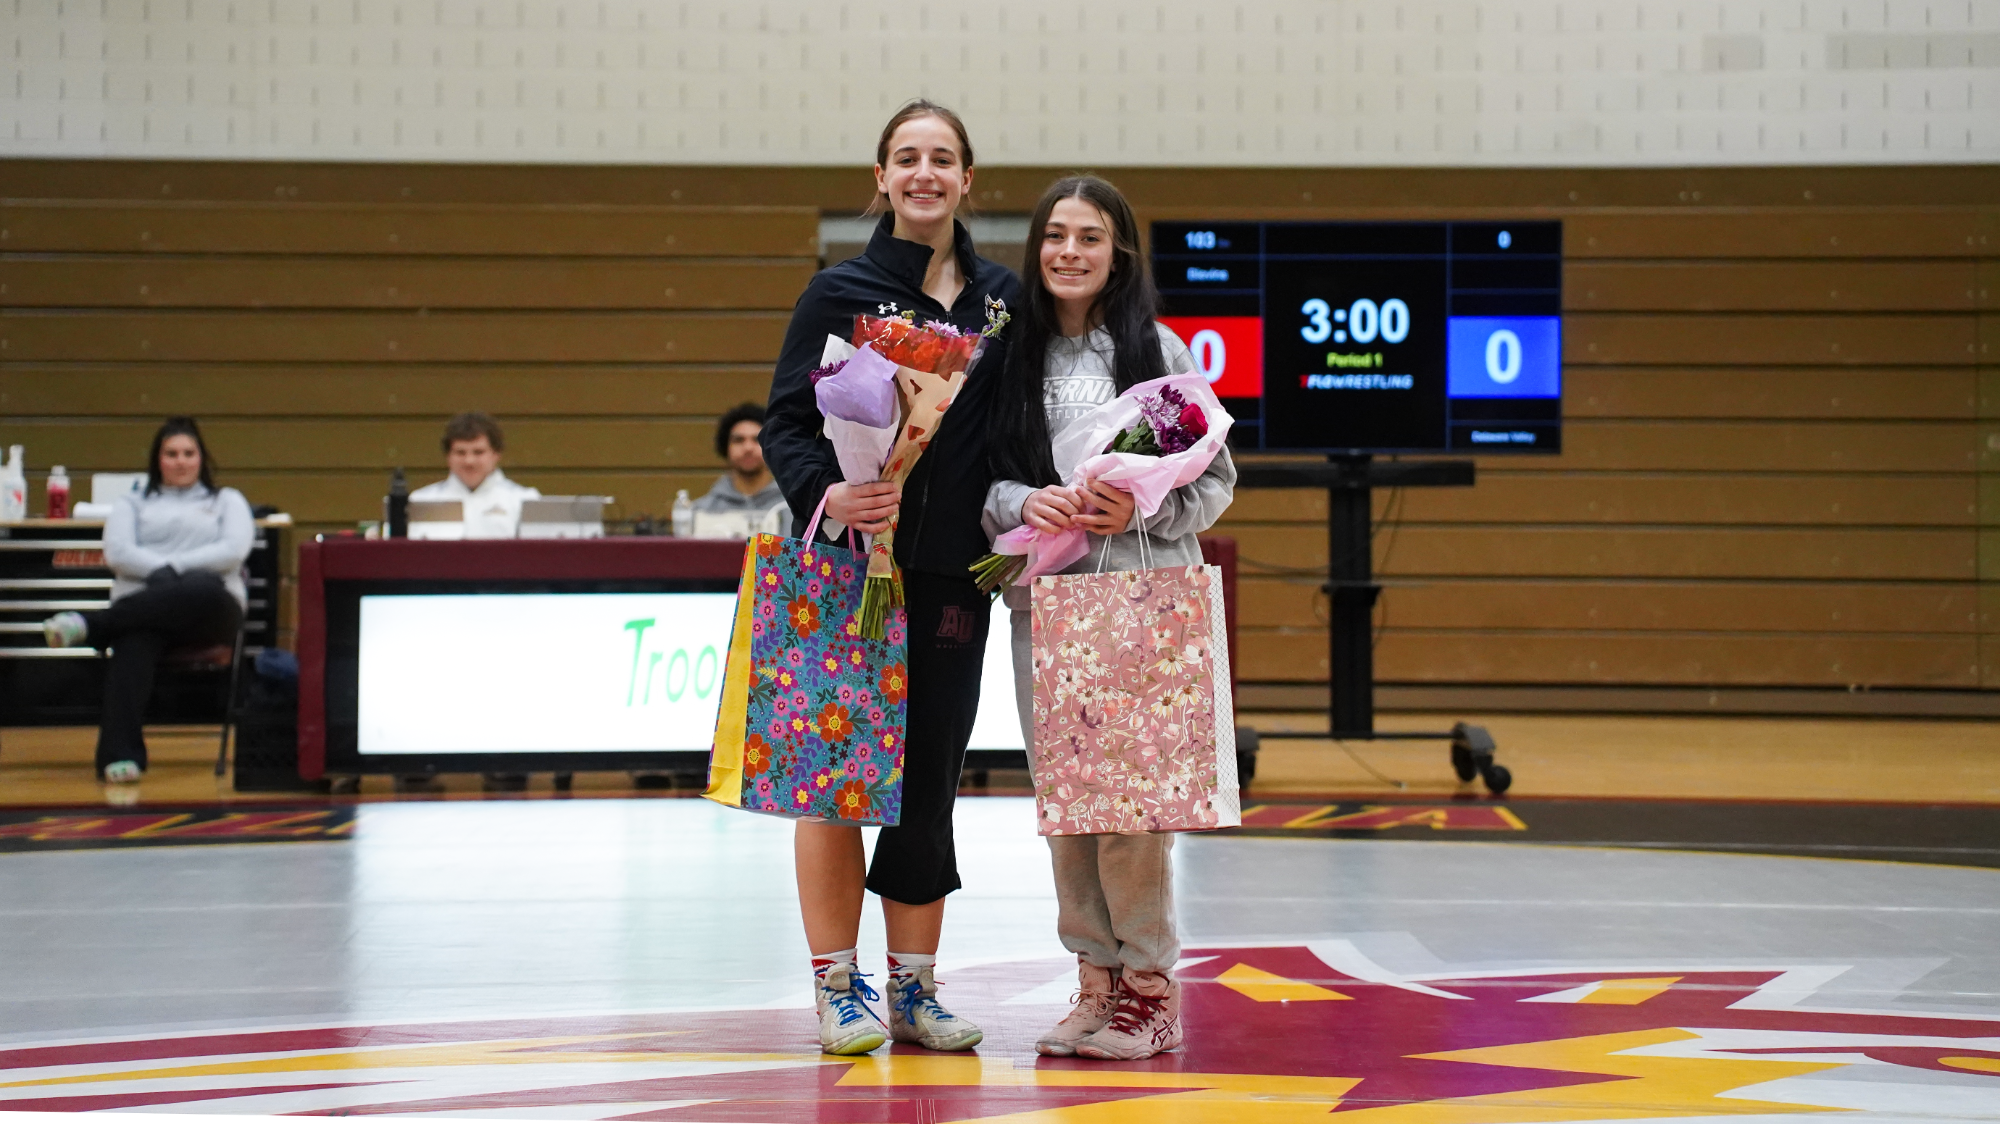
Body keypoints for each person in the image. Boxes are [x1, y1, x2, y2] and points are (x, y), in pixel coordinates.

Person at [761, 98, 1022, 1056]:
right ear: (880, 177)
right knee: (836, 782)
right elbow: (787, 422)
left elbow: (1011, 436)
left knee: (927, 786)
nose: (924, 173)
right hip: (846, 578)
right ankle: (838, 987)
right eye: (905, 158)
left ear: (966, 181)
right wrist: (833, 492)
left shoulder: (1003, 302)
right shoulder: (841, 294)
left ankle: (914, 991)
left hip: (954, 580)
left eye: (942, 159)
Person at [981, 175, 1237, 1060]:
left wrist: (1141, 513)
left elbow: (1213, 481)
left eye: (1090, 237)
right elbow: (977, 479)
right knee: (1070, 807)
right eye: (1055, 236)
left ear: (1118, 252)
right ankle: (1093, 985)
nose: (1069, 253)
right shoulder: (1007, 351)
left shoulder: (1158, 347)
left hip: (1142, 598)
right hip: (1045, 602)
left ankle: (1150, 989)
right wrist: (1023, 501)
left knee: (1133, 810)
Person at [41, 417, 255, 784]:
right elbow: (118, 552)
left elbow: (233, 551)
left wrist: (170, 569)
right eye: (171, 453)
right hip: (148, 613)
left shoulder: (227, 500)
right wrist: (163, 575)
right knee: (134, 641)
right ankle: (120, 758)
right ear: (158, 459)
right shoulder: (132, 503)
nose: (181, 461)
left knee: (203, 586)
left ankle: (94, 626)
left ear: (202, 458)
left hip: (212, 610)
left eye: (189, 453)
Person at [409, 411, 539, 538]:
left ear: (496, 454)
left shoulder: (524, 501)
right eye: (460, 452)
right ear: (448, 456)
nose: (469, 461)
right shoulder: (419, 502)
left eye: (478, 452)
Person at [689, 403, 791, 538]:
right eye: (738, 440)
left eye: (757, 440)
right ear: (726, 447)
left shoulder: (792, 509)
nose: (748, 448)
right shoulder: (700, 511)